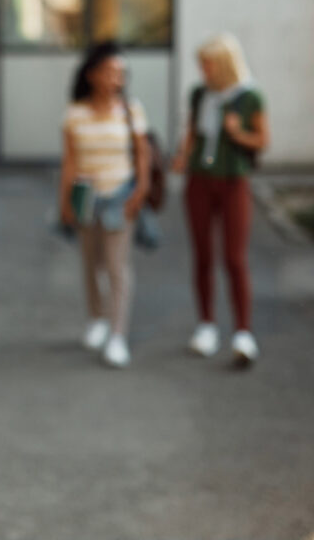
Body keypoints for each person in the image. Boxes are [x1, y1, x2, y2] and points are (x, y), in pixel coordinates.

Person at [170, 34, 268, 365]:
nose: (203, 69)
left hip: (233, 181)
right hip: (200, 180)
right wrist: (182, 156)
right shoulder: (200, 94)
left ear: (224, 64)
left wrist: (237, 132)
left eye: (207, 63)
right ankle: (206, 326)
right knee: (202, 255)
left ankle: (243, 332)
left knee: (234, 257)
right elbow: (191, 132)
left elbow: (262, 140)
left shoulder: (249, 96)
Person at [59, 42, 150, 369]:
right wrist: (65, 201)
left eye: (121, 72)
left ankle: (117, 335)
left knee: (116, 267)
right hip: (86, 198)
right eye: (111, 71)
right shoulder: (75, 112)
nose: (117, 78)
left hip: (119, 197)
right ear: (93, 74)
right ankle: (96, 318)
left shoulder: (131, 109)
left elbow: (142, 153)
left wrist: (141, 190)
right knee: (90, 263)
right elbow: (69, 160)